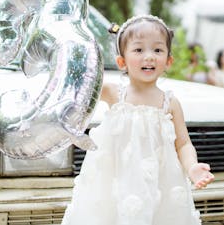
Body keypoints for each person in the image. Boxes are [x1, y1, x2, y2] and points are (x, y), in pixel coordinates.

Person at [61, 15, 215, 225]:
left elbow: (183, 143)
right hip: (116, 182)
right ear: (121, 61)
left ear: (168, 61)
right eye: (139, 50)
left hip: (159, 184)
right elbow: (82, 87)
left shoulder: (169, 103)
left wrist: (192, 167)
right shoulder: (114, 93)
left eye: (158, 50)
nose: (149, 56)